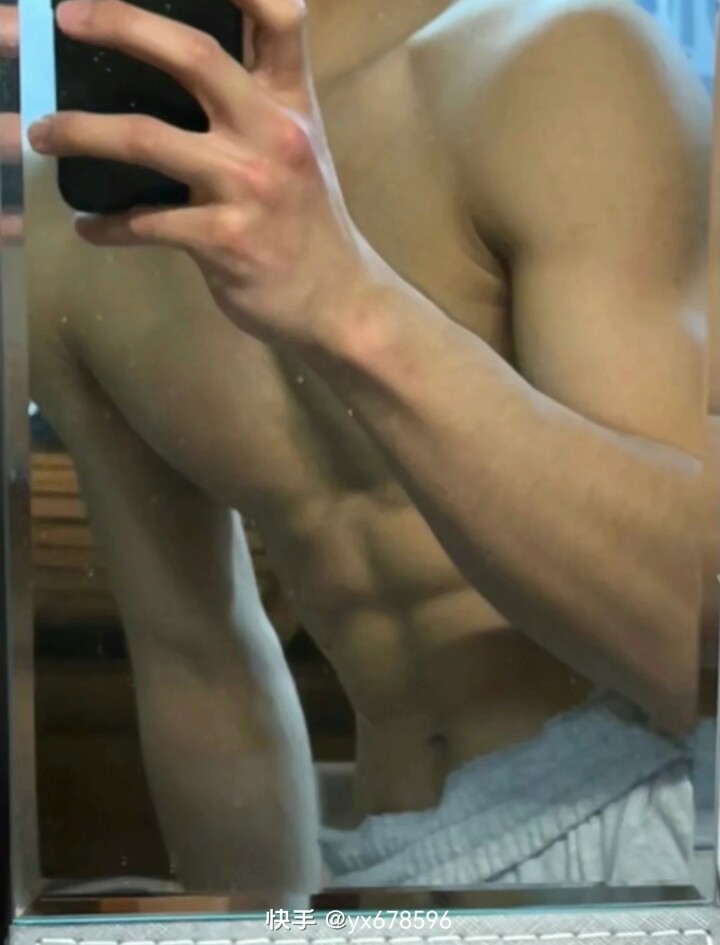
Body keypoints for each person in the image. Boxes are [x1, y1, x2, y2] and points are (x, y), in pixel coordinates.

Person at [16, 0, 714, 892]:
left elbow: (682, 631)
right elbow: (196, 661)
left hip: (635, 807)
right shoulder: (75, 231)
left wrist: (345, 302)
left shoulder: (556, 59)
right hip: (391, 861)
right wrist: (265, 925)